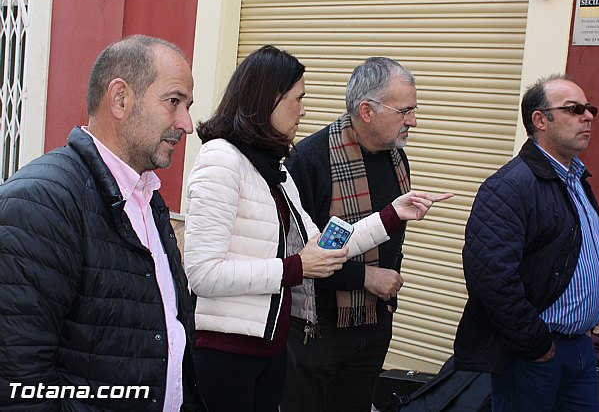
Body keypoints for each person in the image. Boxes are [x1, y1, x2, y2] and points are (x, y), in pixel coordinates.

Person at [183, 46, 444, 412]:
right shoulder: (222, 160)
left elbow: (323, 245)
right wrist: (296, 268)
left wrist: (391, 215)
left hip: (268, 344)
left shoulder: (274, 168)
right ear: (269, 100)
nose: (304, 110)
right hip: (229, 348)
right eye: (299, 98)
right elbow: (202, 274)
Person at [0, 35, 205, 411]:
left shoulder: (148, 198)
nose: (187, 124)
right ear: (120, 98)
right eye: (174, 102)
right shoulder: (41, 203)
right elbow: (20, 382)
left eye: (187, 106)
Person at [280, 57, 454, 412]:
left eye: (414, 110)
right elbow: (296, 255)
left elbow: (390, 241)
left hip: (373, 325)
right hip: (317, 331)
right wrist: (366, 277)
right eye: (404, 111)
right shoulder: (310, 160)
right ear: (367, 111)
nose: (413, 121)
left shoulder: (396, 156)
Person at [453, 74, 599, 411]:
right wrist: (534, 344)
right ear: (540, 120)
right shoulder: (509, 187)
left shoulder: (576, 179)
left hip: (580, 350)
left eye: (589, 109)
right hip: (534, 355)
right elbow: (491, 278)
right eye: (574, 109)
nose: (588, 116)